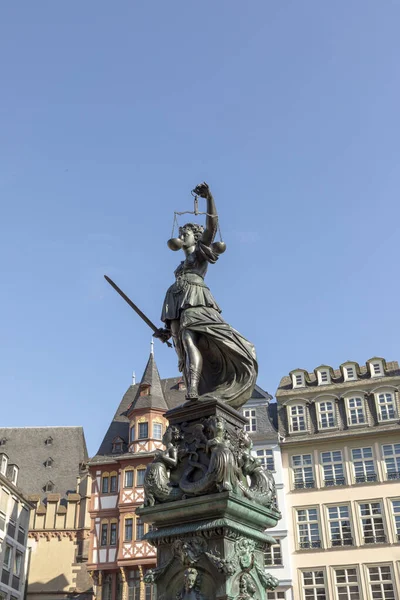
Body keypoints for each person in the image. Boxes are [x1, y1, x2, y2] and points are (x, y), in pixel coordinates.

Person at [154, 183, 258, 409]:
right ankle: (194, 387)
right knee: (183, 341)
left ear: (196, 236)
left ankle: (192, 388)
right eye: (181, 232)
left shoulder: (201, 254)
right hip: (176, 302)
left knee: (190, 339)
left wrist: (209, 198)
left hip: (195, 299)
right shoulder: (181, 265)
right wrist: (166, 333)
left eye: (186, 233)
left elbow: (212, 226)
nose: (182, 235)